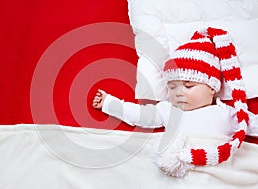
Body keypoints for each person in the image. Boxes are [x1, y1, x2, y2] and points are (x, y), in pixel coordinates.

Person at [92, 27, 252, 177]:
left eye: (189, 86)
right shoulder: (168, 110)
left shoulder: (227, 114)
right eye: (172, 87)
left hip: (215, 174)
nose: (179, 93)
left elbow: (253, 124)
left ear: (212, 88)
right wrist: (109, 103)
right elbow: (140, 115)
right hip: (178, 172)